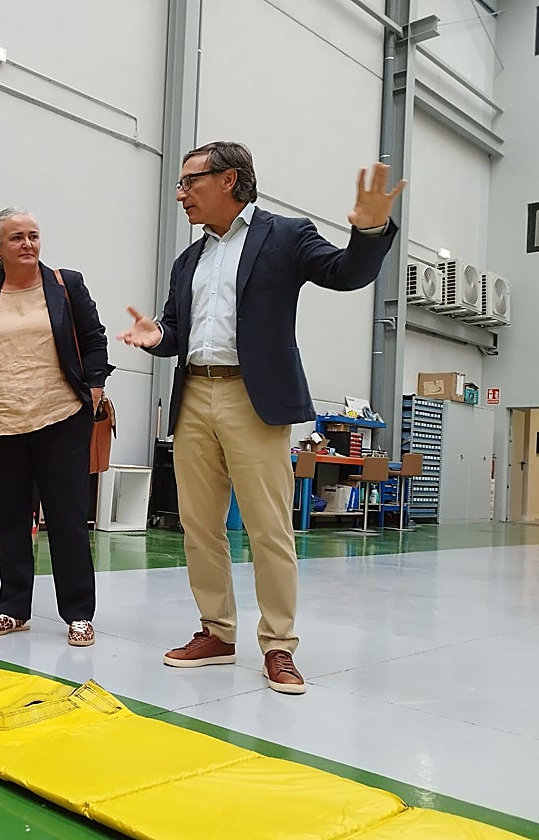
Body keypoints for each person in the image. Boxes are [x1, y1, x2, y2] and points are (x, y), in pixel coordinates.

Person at [118, 141, 405, 693]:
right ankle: (216, 632)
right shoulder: (189, 260)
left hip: (254, 398)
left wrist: (369, 232)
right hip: (194, 395)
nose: (180, 194)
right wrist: (158, 336)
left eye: (190, 181)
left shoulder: (285, 236)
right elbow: (177, 330)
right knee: (199, 525)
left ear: (228, 179)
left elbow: (345, 273)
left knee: (268, 527)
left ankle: (278, 644)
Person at [0, 208, 113, 646]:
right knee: (10, 521)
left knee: (67, 519)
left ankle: (78, 613)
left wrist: (94, 388)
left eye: (33, 235)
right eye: (16, 238)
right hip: (3, 423)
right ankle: (13, 609)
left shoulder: (66, 285)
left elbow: (95, 338)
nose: (27, 244)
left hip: (61, 419)